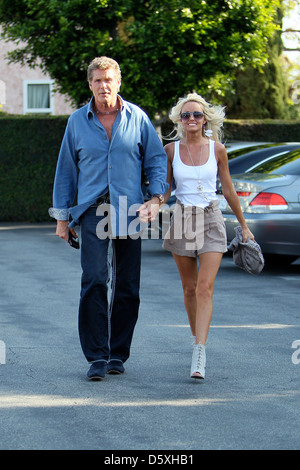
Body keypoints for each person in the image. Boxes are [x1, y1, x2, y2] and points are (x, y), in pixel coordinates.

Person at [49, 57, 168, 380]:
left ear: (119, 82)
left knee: (128, 286)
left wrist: (156, 199)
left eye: (109, 79)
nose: (104, 85)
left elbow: (156, 161)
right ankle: (97, 356)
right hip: (92, 212)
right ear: (90, 84)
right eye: (98, 80)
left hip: (130, 211)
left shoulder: (138, 119)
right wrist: (62, 218)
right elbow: (66, 172)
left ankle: (118, 353)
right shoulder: (77, 122)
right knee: (95, 280)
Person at [162, 93, 254, 380]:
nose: (192, 119)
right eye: (186, 115)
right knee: (189, 288)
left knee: (205, 288)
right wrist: (152, 205)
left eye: (197, 115)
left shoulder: (218, 150)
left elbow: (228, 190)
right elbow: (165, 190)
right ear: (179, 120)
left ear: (205, 119)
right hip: (182, 219)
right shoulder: (170, 151)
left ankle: (199, 350)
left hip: (212, 218)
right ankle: (195, 339)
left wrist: (244, 225)